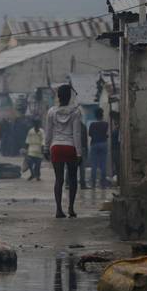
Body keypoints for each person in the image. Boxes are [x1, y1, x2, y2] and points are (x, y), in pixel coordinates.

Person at [44, 84, 83, 219]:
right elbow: (76, 133)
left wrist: (45, 147)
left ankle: (59, 210)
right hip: (70, 147)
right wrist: (79, 153)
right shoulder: (76, 112)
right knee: (72, 179)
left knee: (58, 179)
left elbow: (48, 133)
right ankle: (71, 208)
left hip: (56, 147)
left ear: (58, 96)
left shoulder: (51, 112)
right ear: (70, 96)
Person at [89, 109, 110, 188]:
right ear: (102, 115)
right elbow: (106, 134)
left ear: (95, 116)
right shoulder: (106, 124)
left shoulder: (92, 124)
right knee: (103, 164)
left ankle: (93, 184)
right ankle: (103, 183)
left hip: (94, 144)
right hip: (103, 143)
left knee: (94, 164)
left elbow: (90, 134)